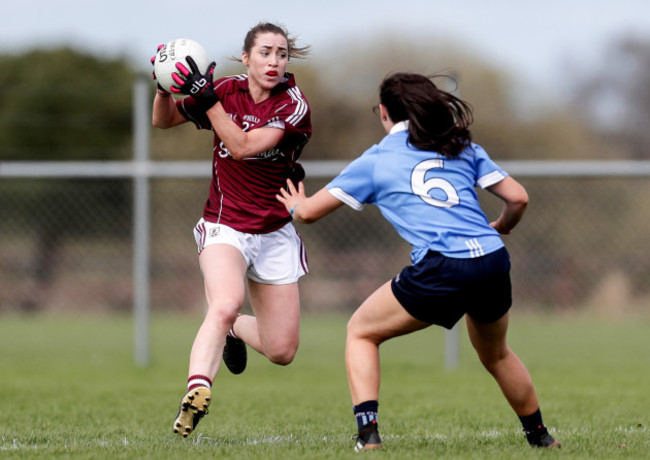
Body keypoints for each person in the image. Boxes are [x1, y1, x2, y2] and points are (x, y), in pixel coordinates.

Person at [277, 72, 561, 451]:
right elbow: (519, 198)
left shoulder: (377, 159)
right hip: (492, 259)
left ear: (383, 113)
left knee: (361, 331)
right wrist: (503, 227)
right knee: (497, 354)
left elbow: (310, 213)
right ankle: (541, 438)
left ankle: (369, 436)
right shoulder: (460, 145)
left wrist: (296, 205)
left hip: (443, 266)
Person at [151, 22, 311, 437]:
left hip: (275, 231)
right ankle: (196, 393)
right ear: (246, 57)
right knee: (223, 302)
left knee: (282, 350)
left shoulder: (292, 106)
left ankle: (232, 330)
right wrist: (164, 86)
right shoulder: (225, 90)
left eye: (281, 53)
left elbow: (240, 147)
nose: (274, 61)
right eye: (265, 52)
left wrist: (207, 99)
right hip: (225, 225)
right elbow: (163, 121)